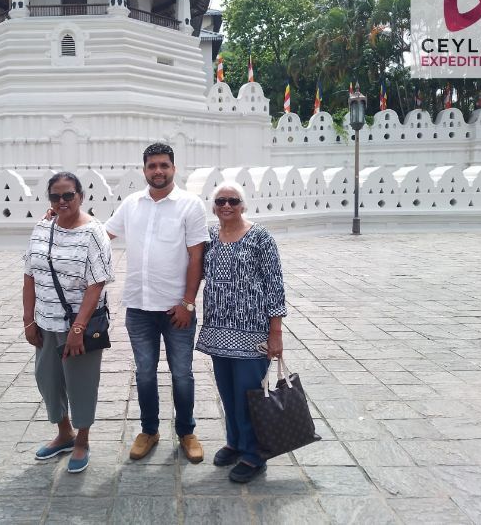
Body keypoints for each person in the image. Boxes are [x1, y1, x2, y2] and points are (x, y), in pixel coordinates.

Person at [105, 143, 209, 463]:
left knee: (182, 374)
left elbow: (197, 257)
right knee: (145, 374)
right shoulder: (132, 204)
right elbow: (101, 234)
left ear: (174, 168)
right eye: (152, 166)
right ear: (144, 170)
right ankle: (149, 430)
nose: (158, 171)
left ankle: (186, 432)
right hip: (139, 307)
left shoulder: (190, 205)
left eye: (164, 165)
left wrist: (188, 303)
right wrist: (62, 214)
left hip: (177, 309)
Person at [23, 172, 114, 473]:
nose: (62, 202)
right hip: (46, 323)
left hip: (80, 325)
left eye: (68, 196)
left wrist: (78, 329)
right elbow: (29, 275)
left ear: (81, 196)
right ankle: (64, 433)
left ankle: (82, 440)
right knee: (47, 380)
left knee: (81, 384)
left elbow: (97, 283)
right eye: (55, 197)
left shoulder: (94, 232)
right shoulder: (40, 229)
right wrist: (28, 320)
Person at [195, 181, 286, 483]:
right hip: (219, 331)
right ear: (213, 207)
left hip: (252, 331)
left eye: (233, 201)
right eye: (220, 201)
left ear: (243, 205)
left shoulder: (260, 237)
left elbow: (275, 285)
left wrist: (276, 332)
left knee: (250, 395)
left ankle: (254, 454)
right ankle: (235, 442)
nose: (226, 206)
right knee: (228, 392)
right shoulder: (210, 237)